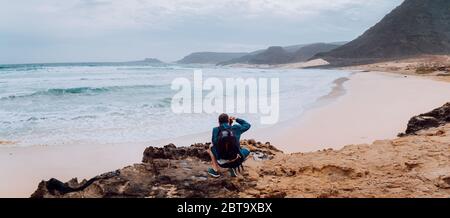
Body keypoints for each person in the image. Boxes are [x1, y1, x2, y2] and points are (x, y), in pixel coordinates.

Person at [207, 113, 251, 178]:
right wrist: (236, 119)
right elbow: (247, 125)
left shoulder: (215, 130)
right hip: (237, 160)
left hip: (222, 164)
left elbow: (215, 143)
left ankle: (215, 171)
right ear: (228, 120)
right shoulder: (236, 128)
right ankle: (233, 167)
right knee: (247, 149)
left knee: (211, 147)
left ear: (218, 122)